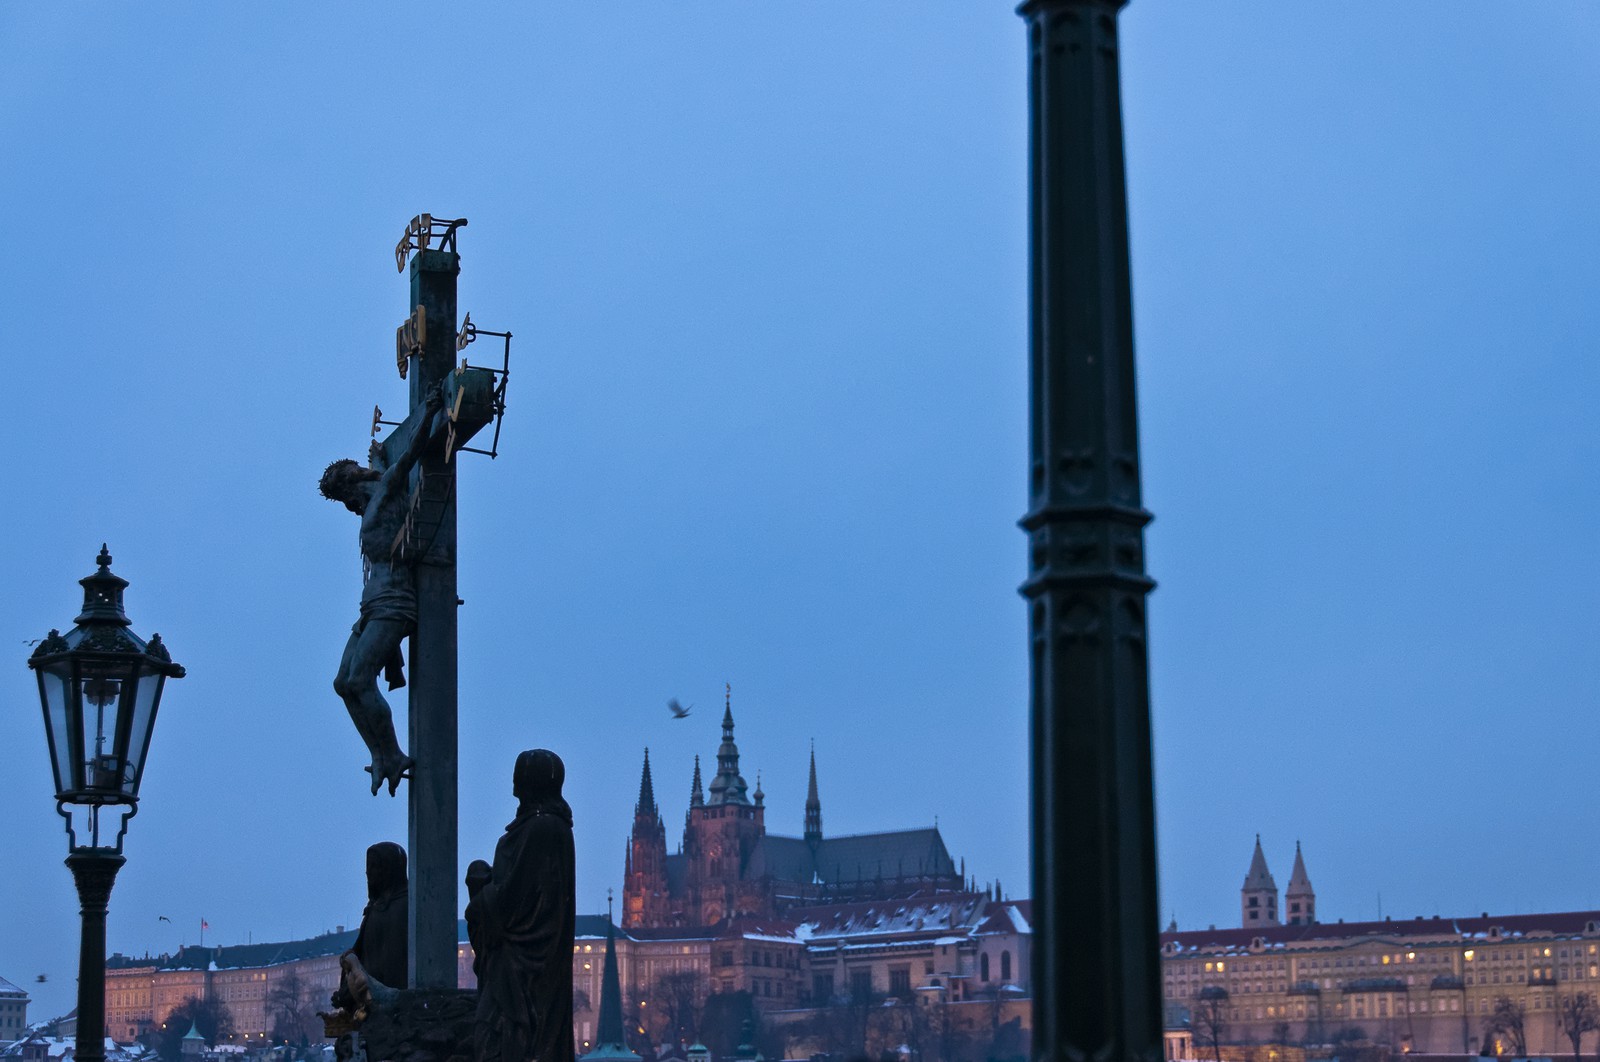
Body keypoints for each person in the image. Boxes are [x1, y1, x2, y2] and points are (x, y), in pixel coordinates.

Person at [319, 386, 443, 794]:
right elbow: (387, 456)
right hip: (371, 606)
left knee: (359, 680)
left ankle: (390, 752)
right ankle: (380, 753)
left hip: (394, 602)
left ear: (352, 487)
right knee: (342, 682)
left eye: (344, 498)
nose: (347, 507)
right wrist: (377, 456)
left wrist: (429, 411)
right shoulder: (372, 497)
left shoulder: (386, 489)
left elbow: (410, 454)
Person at [465, 749, 576, 1062]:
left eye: (520, 775)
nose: (514, 783)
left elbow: (513, 899)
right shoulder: (544, 827)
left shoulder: (541, 829)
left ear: (532, 781)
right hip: (518, 958)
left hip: (523, 961)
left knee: (494, 1039)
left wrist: (479, 892)